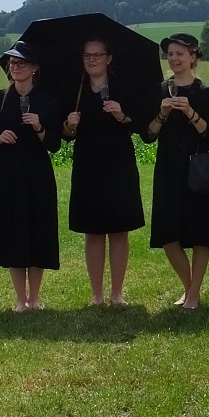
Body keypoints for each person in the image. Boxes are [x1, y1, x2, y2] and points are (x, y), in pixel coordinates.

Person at [62, 38, 148, 306]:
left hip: (119, 164)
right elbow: (64, 134)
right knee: (94, 231)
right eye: (87, 55)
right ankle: (97, 294)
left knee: (120, 230)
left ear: (109, 58)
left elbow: (140, 124)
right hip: (88, 166)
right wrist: (69, 124)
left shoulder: (124, 87)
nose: (92, 60)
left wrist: (121, 115)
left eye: (98, 55)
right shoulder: (75, 89)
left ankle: (117, 293)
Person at [0, 41, 61, 312]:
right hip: (7, 174)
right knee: (13, 232)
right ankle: (20, 299)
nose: (15, 67)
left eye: (21, 63)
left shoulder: (48, 101)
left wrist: (39, 127)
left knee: (37, 229)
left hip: (37, 174)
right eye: (12, 63)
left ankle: (35, 297)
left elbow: (54, 144)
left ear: (35, 68)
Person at [143, 34, 209, 310]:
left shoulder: (208, 94)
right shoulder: (159, 90)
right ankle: (190, 289)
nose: (174, 59)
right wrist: (162, 114)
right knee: (168, 235)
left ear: (193, 56)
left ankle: (193, 293)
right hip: (168, 168)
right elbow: (148, 135)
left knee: (201, 234)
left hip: (198, 168)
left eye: (180, 53)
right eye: (170, 54)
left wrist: (190, 112)